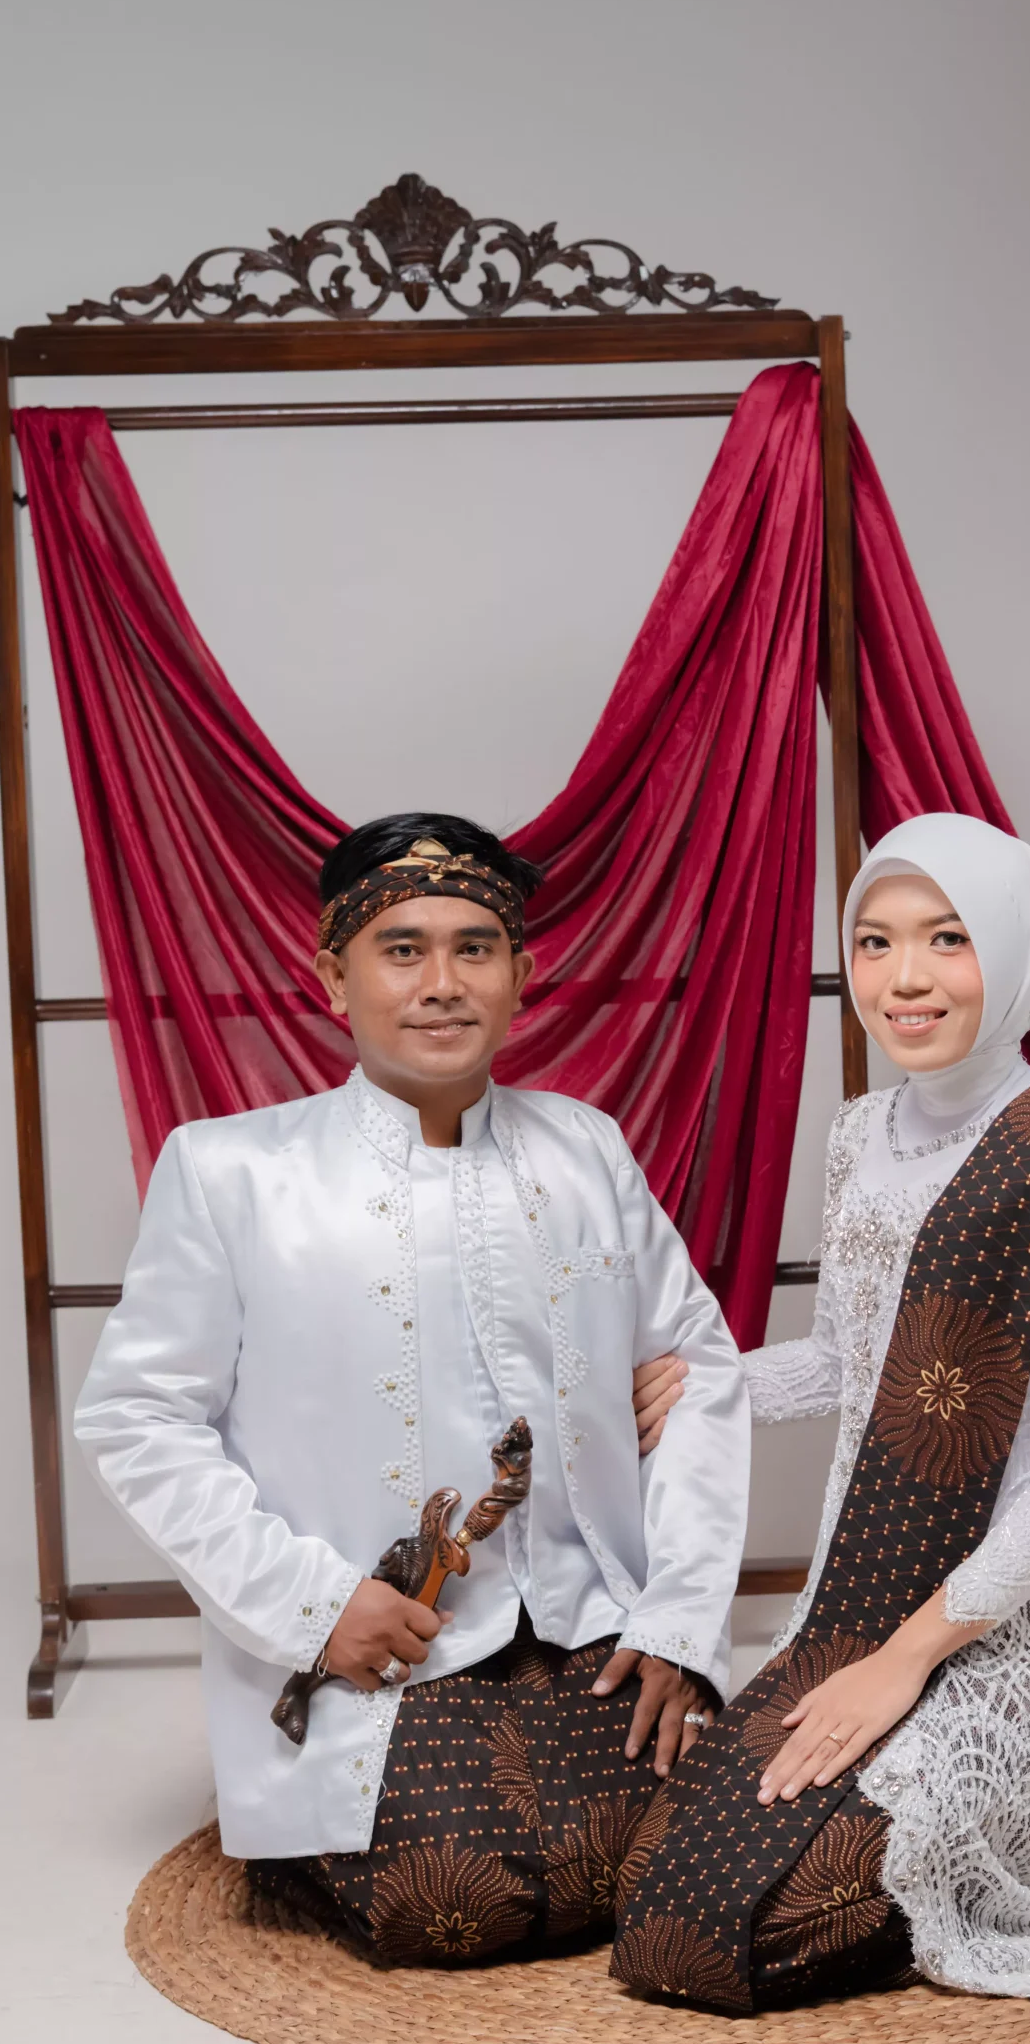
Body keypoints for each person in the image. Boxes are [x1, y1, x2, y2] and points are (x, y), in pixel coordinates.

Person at [75, 813, 749, 1967]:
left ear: (521, 975)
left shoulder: (584, 1149)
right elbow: (137, 1418)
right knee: (460, 1900)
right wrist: (314, 1603)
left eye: (474, 947)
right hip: (388, 1638)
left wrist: (679, 1620)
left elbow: (699, 1374)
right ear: (333, 977)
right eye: (402, 949)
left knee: (739, 1846)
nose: (442, 983)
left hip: (589, 1615)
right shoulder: (232, 1172)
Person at [610, 811, 1030, 2014]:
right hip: (856, 1603)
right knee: (660, 1889)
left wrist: (903, 1665)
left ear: (1012, 950)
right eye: (876, 940)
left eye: (947, 938)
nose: (904, 978)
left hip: (1017, 1636)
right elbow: (846, 1364)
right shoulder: (859, 1133)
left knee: (782, 1918)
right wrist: (710, 1385)